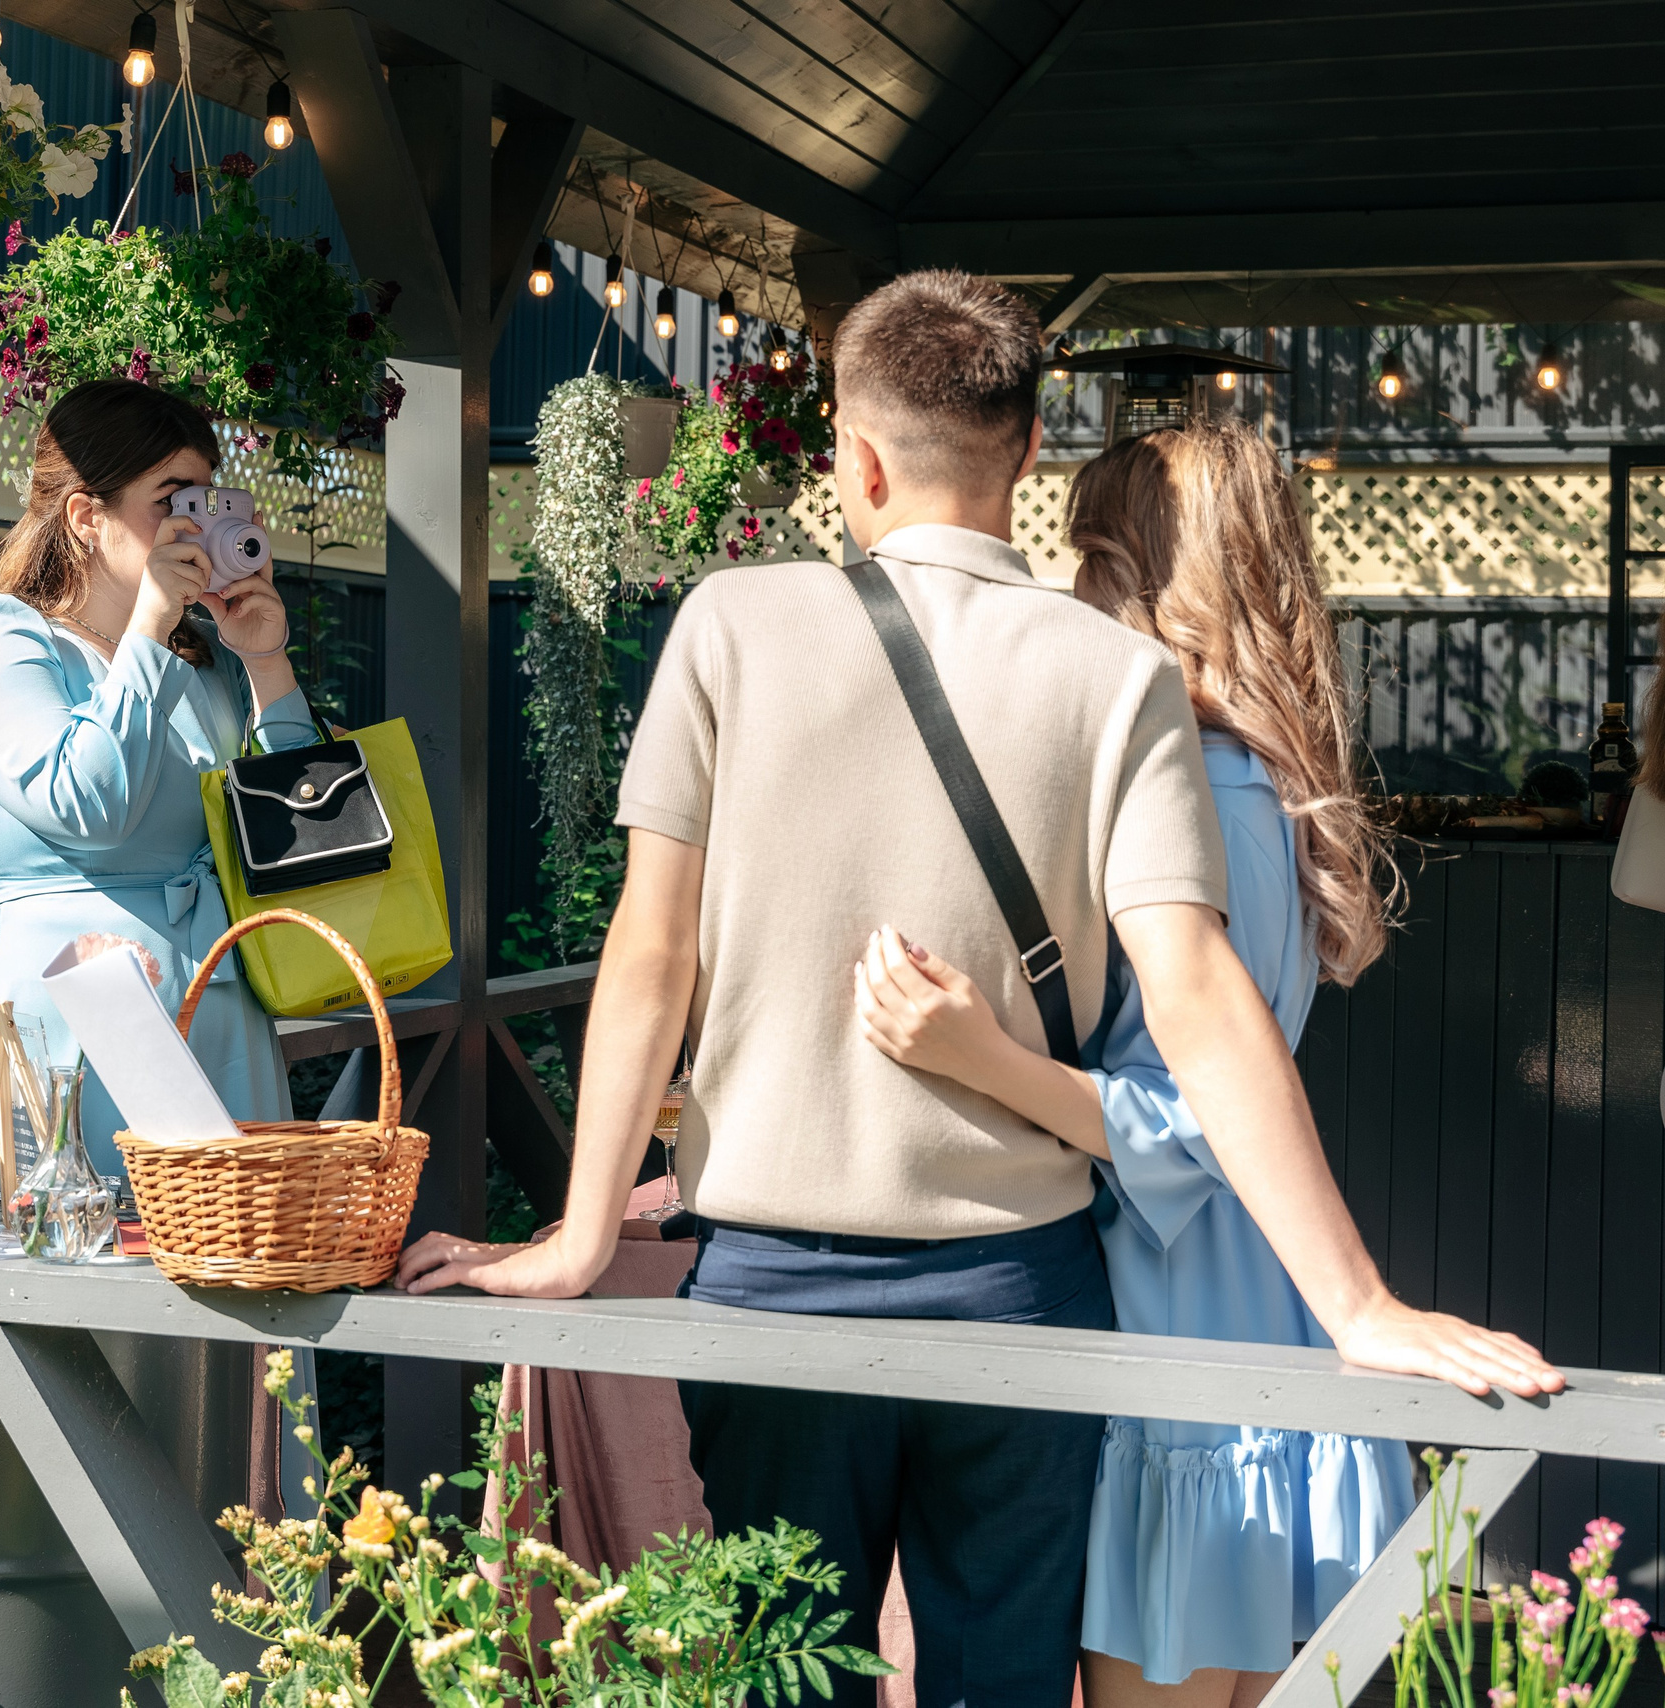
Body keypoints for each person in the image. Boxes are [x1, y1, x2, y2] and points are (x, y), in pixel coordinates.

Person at [396, 271, 1563, 1708]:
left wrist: (577, 1242)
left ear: (856, 455)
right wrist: (1361, 1303)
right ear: (1025, 456)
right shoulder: (1124, 677)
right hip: (1024, 1294)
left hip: (774, 1292)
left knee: (781, 1679)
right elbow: (1202, 1003)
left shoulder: (729, 626)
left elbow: (650, 949)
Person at [850, 419, 1485, 1707]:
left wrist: (981, 1057)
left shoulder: (1205, 793)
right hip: (1226, 1317)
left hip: (1191, 1341)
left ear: (1162, 581)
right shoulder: (1234, 778)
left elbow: (1196, 1118)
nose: (1074, 586)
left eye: (1093, 553)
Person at [0, 379, 322, 1168]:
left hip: (218, 1010)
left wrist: (266, 661)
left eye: (209, 501)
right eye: (172, 501)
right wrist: (150, 625)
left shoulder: (192, 668)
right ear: (85, 516)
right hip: (69, 1018)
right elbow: (85, 804)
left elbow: (299, 835)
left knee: (233, 1254)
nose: (197, 524)